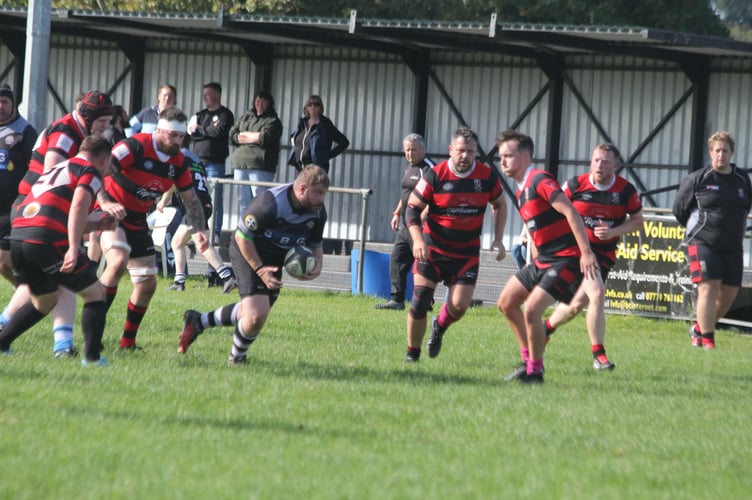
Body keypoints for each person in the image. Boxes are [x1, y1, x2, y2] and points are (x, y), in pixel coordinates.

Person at [177, 165, 329, 364]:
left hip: (275, 258)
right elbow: (242, 237)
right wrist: (259, 270)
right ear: (302, 189)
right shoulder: (270, 203)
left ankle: (198, 321)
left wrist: (317, 265)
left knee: (253, 312)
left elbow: (316, 243)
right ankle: (237, 359)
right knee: (257, 314)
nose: (322, 199)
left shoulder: (317, 212)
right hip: (247, 250)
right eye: (318, 193)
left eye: (324, 194)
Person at [1, 90, 113, 358]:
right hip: (38, 207)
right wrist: (93, 213)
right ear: (88, 117)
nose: (106, 127)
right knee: (65, 273)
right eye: (102, 121)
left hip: (31, 210)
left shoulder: (78, 135)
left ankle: (8, 331)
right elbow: (53, 176)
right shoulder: (66, 132)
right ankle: (66, 347)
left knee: (45, 285)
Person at [98, 107, 209, 350]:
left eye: (181, 137)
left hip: (137, 218)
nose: (178, 141)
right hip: (110, 214)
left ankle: (127, 342)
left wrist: (199, 229)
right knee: (117, 262)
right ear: (158, 130)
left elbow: (191, 201)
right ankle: (93, 330)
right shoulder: (135, 146)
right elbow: (98, 172)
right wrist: (106, 202)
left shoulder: (178, 161)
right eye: (173, 136)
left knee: (147, 283)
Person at [496, 130, 598, 384]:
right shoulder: (521, 190)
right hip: (543, 260)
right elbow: (536, 230)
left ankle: (535, 371)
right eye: (501, 157)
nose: (503, 161)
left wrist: (586, 254)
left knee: (531, 310)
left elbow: (571, 212)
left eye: (508, 156)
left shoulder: (539, 179)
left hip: (566, 258)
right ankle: (527, 360)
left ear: (525, 156)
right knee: (506, 302)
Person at [402, 127, 506, 363]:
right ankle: (412, 355)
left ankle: (439, 325)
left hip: (466, 253)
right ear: (451, 150)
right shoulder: (435, 175)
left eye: (470, 151)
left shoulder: (486, 176)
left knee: (459, 306)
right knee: (419, 301)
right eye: (460, 150)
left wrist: (498, 238)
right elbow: (411, 209)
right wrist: (418, 240)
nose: (465, 156)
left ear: (476, 153)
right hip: (433, 249)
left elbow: (500, 204)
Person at [542, 143, 644, 370]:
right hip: (575, 249)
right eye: (596, 160)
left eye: (606, 161)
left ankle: (545, 329)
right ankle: (599, 355)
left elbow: (638, 221)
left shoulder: (626, 191)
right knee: (597, 293)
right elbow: (552, 210)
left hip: (603, 253)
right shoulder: (575, 185)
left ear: (615, 165)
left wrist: (613, 232)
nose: (600, 165)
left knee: (576, 305)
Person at [673, 131, 751, 349]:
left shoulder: (742, 179)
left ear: (732, 153)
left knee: (728, 295)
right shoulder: (698, 178)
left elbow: (745, 208)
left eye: (725, 150)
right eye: (717, 150)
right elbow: (679, 210)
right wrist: (700, 230)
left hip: (733, 246)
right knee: (708, 288)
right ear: (710, 153)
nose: (721, 155)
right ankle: (708, 341)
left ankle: (699, 328)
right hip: (703, 243)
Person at [159, 148, 237, 294]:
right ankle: (179, 282)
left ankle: (227, 278)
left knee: (202, 244)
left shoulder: (178, 158)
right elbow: (207, 185)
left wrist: (163, 201)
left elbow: (173, 182)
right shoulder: (195, 159)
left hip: (194, 206)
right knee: (177, 242)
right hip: (203, 203)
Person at [375, 133, 435, 310]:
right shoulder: (409, 169)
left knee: (423, 264)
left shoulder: (429, 170)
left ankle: (426, 301)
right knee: (397, 258)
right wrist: (396, 212)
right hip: (405, 225)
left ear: (423, 150)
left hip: (421, 227)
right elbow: (406, 195)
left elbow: (435, 199)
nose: (410, 153)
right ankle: (397, 299)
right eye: (407, 150)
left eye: (414, 150)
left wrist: (419, 220)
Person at [0, 83, 38, 284]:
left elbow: (37, 168)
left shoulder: (24, 132)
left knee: (4, 263)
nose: (0, 106)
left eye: (4, 101)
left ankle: (26, 293)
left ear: (13, 105)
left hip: (9, 208)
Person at [188, 82, 234, 244]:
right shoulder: (199, 114)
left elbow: (218, 132)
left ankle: (215, 232)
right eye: (204, 94)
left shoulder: (225, 114)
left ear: (217, 95)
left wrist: (200, 129)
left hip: (215, 163)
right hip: (196, 162)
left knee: (215, 199)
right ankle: (197, 230)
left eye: (208, 94)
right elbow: (192, 134)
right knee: (195, 197)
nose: (205, 97)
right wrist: (204, 129)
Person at [229, 90, 283, 218]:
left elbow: (263, 138)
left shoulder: (273, 121)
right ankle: (243, 230)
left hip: (260, 167)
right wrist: (252, 136)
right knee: (243, 201)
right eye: (258, 100)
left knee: (260, 202)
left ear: (269, 103)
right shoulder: (246, 117)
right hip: (240, 165)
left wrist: (243, 135)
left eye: (263, 100)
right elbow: (232, 135)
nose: (260, 103)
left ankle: (260, 231)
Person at [288, 95, 349, 174]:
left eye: (316, 104)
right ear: (306, 107)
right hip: (300, 167)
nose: (313, 107)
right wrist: (292, 141)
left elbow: (344, 142)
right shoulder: (302, 123)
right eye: (310, 104)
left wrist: (327, 155)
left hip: (316, 169)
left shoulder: (325, 125)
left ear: (321, 107)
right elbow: (295, 136)